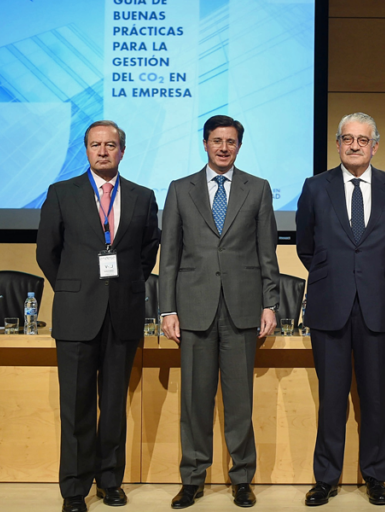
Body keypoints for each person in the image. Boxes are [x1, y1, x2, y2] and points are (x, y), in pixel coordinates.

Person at [37, 120, 161, 512]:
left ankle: (110, 481)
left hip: (122, 313)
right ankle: (74, 489)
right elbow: (47, 251)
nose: (103, 151)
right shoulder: (62, 193)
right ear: (86, 150)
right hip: (76, 314)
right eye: (95, 145)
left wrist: (123, 288)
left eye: (110, 145)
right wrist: (73, 288)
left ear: (122, 151)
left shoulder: (142, 196)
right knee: (75, 405)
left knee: (113, 404)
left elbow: (147, 252)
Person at [160, 115, 280, 509]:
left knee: (239, 401)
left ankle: (242, 478)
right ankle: (192, 478)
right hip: (193, 309)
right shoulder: (180, 190)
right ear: (205, 143)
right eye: (217, 140)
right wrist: (168, 309)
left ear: (239, 146)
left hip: (243, 309)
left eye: (230, 141)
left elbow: (267, 254)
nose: (223, 147)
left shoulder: (258, 189)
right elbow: (171, 257)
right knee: (194, 401)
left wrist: (270, 302)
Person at [296, 112, 385, 506]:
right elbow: (306, 246)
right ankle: (326, 478)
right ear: (338, 143)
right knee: (331, 398)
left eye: (363, 139)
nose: (355, 145)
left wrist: (370, 277)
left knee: (374, 397)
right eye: (348, 139)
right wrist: (337, 277)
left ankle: (375, 476)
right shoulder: (315, 187)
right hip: (330, 306)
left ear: (375, 145)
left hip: (376, 306)